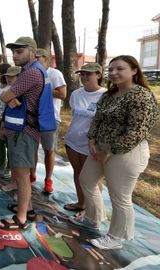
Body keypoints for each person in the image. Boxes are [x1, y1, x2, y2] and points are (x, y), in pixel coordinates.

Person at [69, 55, 159, 250]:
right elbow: (97, 118)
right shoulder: (109, 94)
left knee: (120, 196)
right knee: (86, 180)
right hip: (100, 148)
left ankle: (116, 237)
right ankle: (93, 218)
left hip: (126, 152)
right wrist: (92, 139)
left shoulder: (141, 96)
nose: (114, 73)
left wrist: (108, 152)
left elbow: (135, 132)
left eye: (120, 69)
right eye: (111, 69)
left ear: (134, 71)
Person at [0, 37, 44, 230]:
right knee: (19, 171)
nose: (14, 55)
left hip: (25, 130)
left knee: (21, 173)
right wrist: (11, 100)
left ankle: (22, 218)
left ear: (32, 51)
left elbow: (4, 94)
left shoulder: (31, 73)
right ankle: (29, 209)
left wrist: (9, 98)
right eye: (13, 52)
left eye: (19, 52)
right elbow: (10, 97)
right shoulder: (32, 70)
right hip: (22, 128)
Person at [63, 63, 107, 212]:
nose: (84, 77)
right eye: (82, 74)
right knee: (78, 173)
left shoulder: (106, 95)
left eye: (89, 74)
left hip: (91, 145)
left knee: (92, 179)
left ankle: (92, 210)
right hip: (72, 141)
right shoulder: (76, 94)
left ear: (98, 75)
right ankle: (81, 203)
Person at [31, 48, 67, 194]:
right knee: (31, 149)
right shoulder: (32, 73)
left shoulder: (54, 73)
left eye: (38, 58)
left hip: (50, 118)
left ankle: (48, 179)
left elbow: (63, 94)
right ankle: (32, 175)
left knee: (49, 150)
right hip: (33, 117)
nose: (35, 61)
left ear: (46, 59)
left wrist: (43, 89)